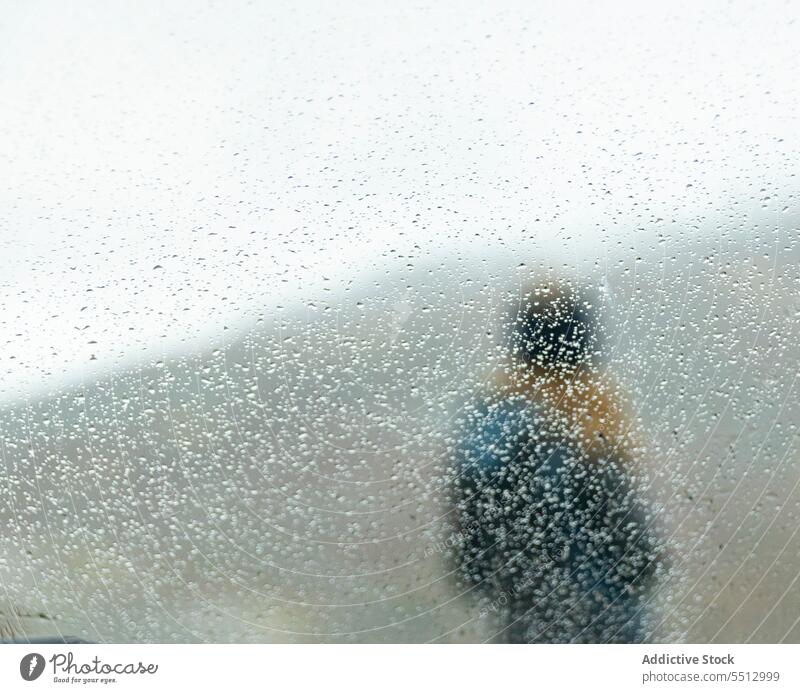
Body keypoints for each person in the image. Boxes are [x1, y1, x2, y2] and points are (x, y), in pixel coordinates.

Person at [450, 281, 660, 643]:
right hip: (608, 611)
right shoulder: (598, 408)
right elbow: (629, 528)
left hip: (527, 607)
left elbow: (471, 527)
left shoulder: (492, 413)